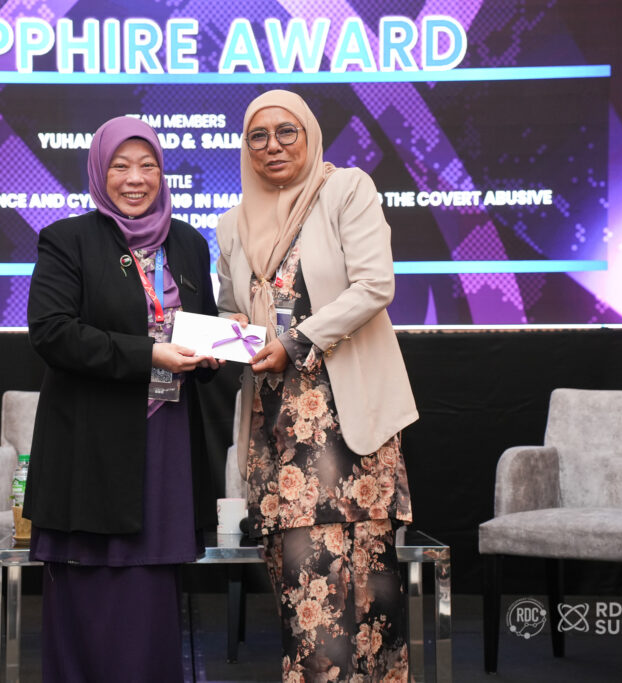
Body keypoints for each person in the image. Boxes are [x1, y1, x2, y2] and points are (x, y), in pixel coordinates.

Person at [216, 89, 419, 682]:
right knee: (303, 592)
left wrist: (296, 340)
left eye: (287, 131)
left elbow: (374, 284)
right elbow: (231, 306)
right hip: (275, 431)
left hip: (346, 425)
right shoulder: (231, 223)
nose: (272, 145)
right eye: (258, 136)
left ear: (309, 134)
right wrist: (229, 332)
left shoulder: (346, 190)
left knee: (370, 599)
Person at [21, 116, 219, 682]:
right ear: (99, 172)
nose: (136, 179)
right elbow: (52, 333)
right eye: (121, 166)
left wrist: (212, 351)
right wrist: (149, 354)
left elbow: (199, 323)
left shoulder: (188, 242)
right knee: (92, 583)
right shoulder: (68, 240)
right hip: (93, 441)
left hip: (166, 436)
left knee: (152, 583)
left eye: (148, 165)